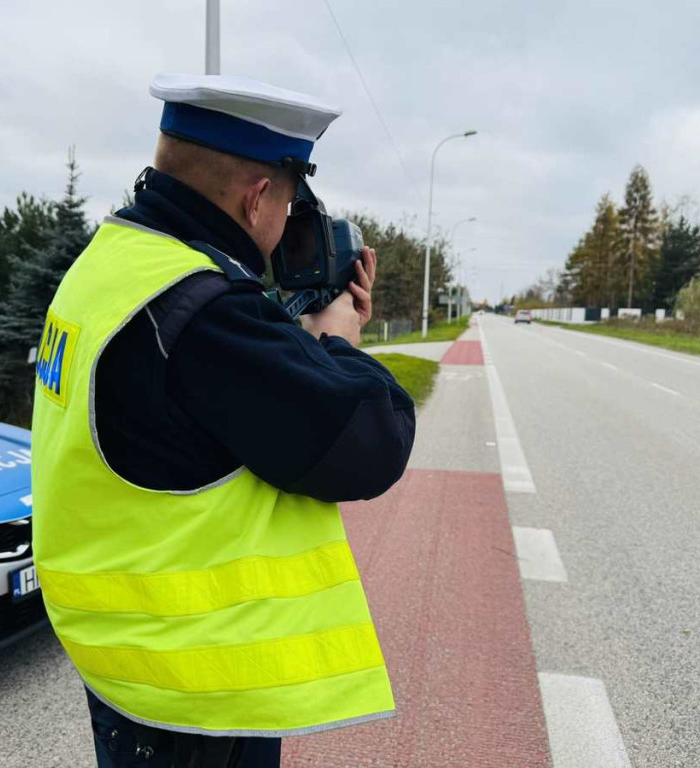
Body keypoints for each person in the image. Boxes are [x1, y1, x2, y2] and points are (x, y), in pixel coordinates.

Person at [31, 73, 415, 768]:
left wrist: (297, 339)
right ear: (260, 193)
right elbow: (372, 443)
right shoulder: (207, 311)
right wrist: (335, 343)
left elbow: (192, 400)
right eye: (291, 200)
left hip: (126, 662)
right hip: (196, 691)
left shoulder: (113, 261)